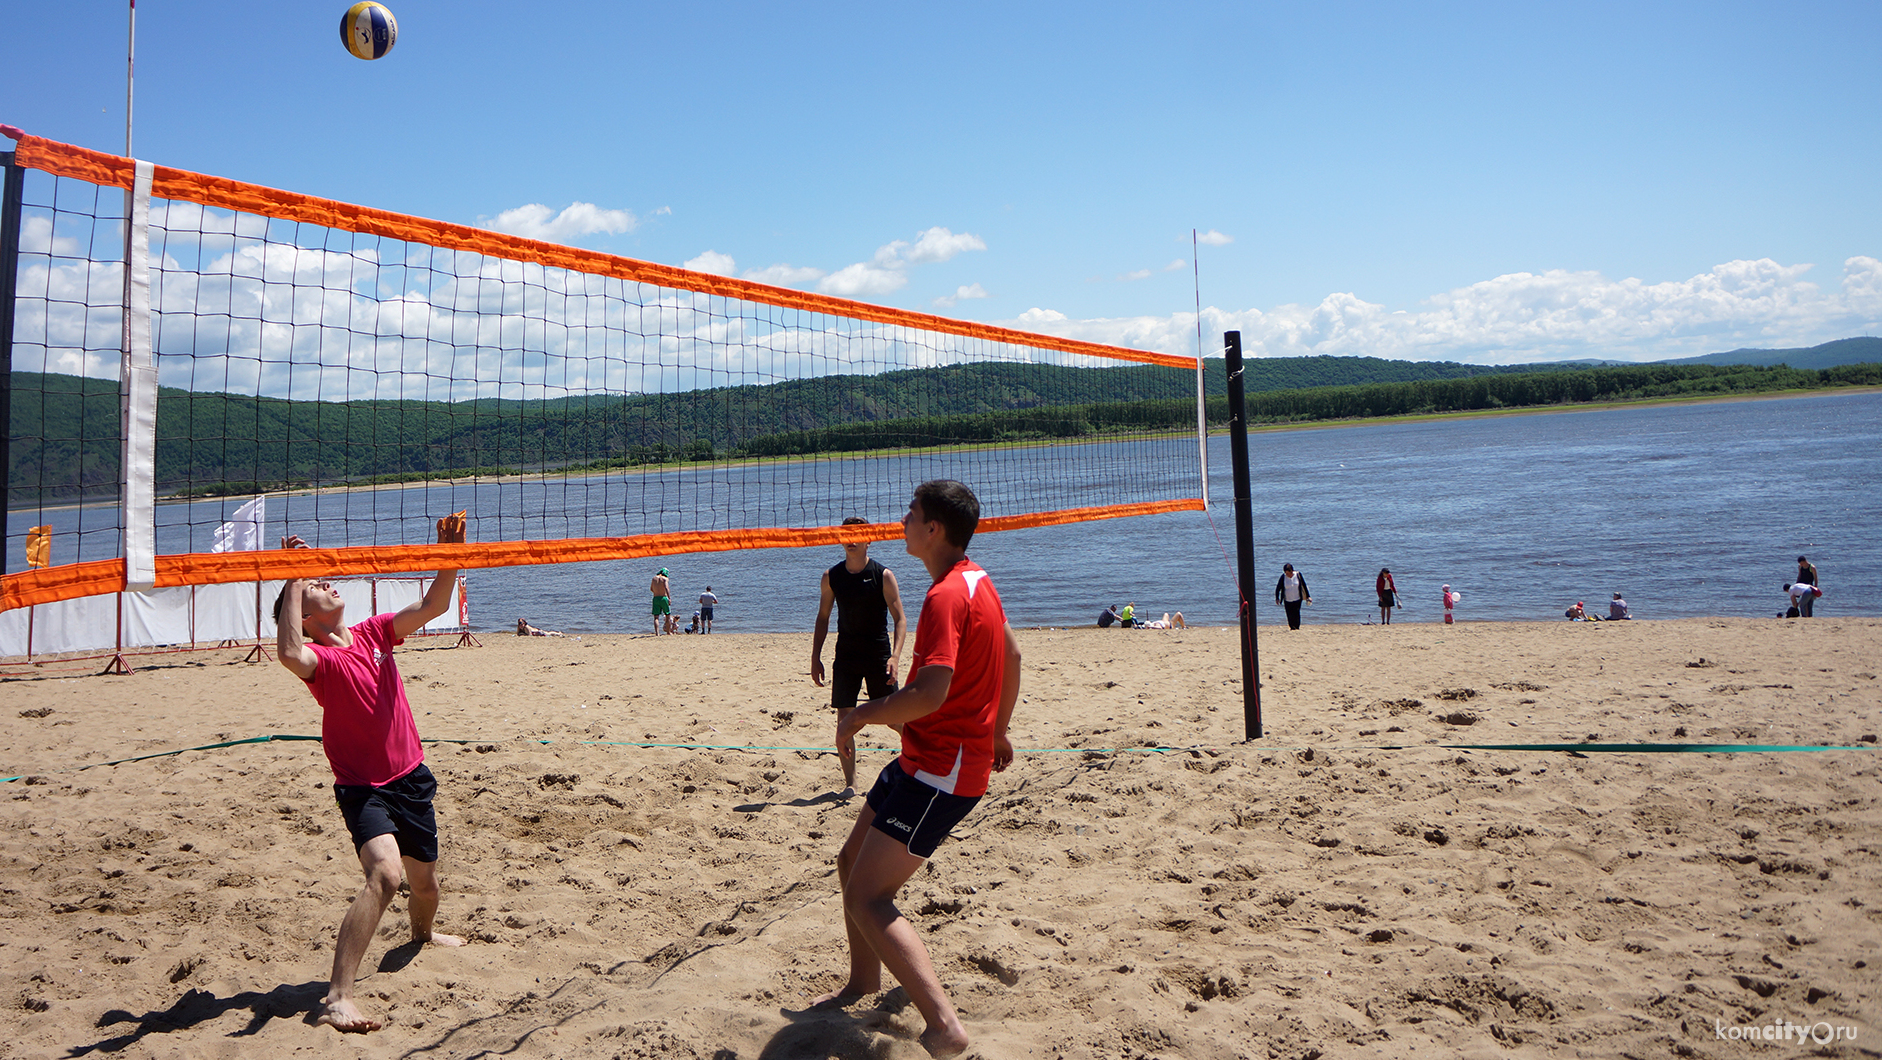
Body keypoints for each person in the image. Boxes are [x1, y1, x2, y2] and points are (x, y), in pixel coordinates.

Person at [818, 481, 1021, 1057]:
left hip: (942, 771)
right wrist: (999, 727)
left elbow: (929, 693)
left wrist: (863, 714)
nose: (902, 520)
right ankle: (863, 982)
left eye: (911, 513)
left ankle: (944, 1026)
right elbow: (1013, 654)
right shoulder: (977, 578)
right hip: (923, 758)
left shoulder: (944, 598)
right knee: (850, 860)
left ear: (933, 530)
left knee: (868, 897)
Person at [272, 515, 466, 1033]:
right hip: (363, 788)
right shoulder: (316, 659)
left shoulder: (374, 633)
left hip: (411, 778)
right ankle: (338, 997)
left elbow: (435, 606)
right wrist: (293, 577)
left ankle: (423, 936)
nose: (327, 584)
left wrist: (448, 553)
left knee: (425, 885)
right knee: (385, 875)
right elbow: (288, 650)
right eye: (316, 587)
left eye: (321, 580)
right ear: (306, 616)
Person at [811, 516, 909, 796]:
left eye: (857, 534)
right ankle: (851, 784)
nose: (851, 539)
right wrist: (815, 656)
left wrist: (896, 657)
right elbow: (823, 618)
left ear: (869, 540)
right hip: (846, 655)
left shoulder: (883, 575)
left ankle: (921, 765)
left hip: (879, 653)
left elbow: (900, 619)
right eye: (846, 534)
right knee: (845, 721)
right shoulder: (832, 576)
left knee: (895, 718)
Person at [1274, 564, 1310, 630]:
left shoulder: (1298, 575)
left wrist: (1308, 596)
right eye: (1286, 573)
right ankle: (1292, 627)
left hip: (1297, 598)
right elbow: (1278, 588)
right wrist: (1277, 598)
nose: (1287, 574)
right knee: (1289, 614)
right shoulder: (1283, 577)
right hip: (1287, 599)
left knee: (1296, 613)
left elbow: (1304, 585)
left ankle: (1297, 627)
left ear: (1291, 571)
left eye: (1288, 573)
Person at [650, 567, 671, 635]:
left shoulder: (654, 578)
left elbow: (651, 589)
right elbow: (666, 588)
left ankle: (657, 633)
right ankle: (668, 632)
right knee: (667, 615)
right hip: (663, 598)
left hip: (655, 598)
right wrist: (669, 598)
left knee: (656, 617)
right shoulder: (665, 579)